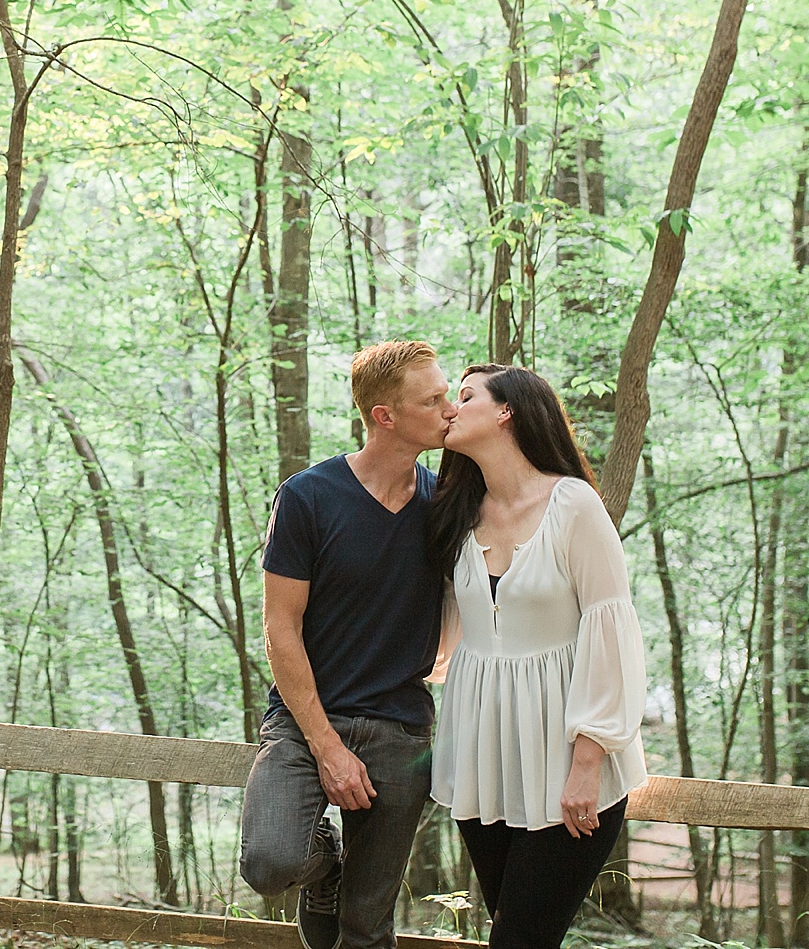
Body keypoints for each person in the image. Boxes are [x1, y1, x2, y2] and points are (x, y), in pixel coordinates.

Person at [240, 340, 458, 949]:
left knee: (367, 926)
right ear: (384, 416)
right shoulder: (308, 496)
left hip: (400, 729)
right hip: (305, 721)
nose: (449, 409)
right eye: (433, 399)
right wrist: (328, 747)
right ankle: (326, 868)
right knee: (271, 864)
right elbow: (280, 629)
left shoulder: (446, 504)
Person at [427, 364, 649, 949]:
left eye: (466, 396)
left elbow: (612, 631)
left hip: (568, 767)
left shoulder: (572, 504)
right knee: (521, 935)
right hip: (485, 764)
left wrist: (587, 761)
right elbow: (442, 630)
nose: (451, 407)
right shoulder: (456, 510)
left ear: (508, 411)